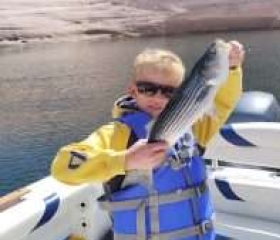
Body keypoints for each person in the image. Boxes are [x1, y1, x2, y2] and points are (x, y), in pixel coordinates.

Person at [51, 40, 244, 240]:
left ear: (182, 94)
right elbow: (63, 167)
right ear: (133, 91)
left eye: (169, 91)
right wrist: (125, 160)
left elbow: (222, 102)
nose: (158, 97)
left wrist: (231, 68)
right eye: (148, 88)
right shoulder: (118, 134)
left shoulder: (193, 129)